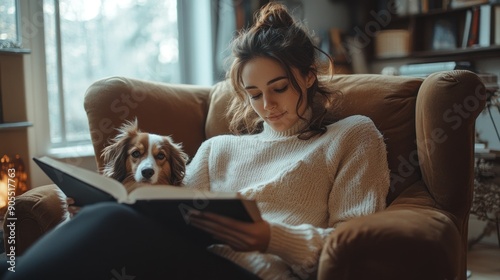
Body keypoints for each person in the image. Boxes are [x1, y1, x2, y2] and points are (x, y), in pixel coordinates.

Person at [1, 3, 389, 280]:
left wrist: (271, 237)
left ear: (307, 76)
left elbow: (357, 248)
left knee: (107, 224)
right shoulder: (219, 149)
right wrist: (83, 208)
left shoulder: (353, 136)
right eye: (254, 94)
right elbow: (166, 217)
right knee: (86, 227)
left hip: (260, 271)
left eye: (279, 88)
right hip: (184, 260)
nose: (266, 106)